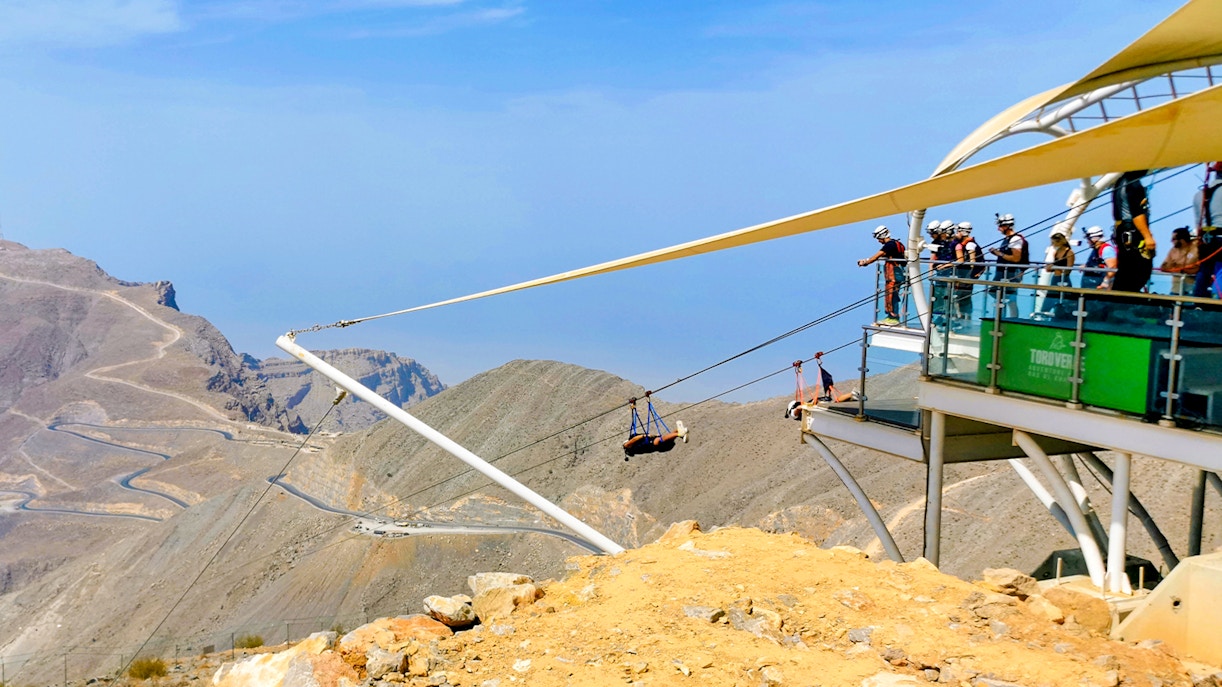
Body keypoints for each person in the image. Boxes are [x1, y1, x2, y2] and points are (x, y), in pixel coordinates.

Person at [1111, 169, 1155, 292]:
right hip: (1133, 233)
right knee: (1142, 269)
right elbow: (1137, 214)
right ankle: (1127, 300)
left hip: (1122, 232)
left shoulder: (1119, 183)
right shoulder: (1135, 185)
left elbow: (1116, 213)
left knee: (1125, 270)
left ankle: (1117, 299)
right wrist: (1147, 236)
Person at [857, 225, 906, 326]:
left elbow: (877, 256)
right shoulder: (897, 244)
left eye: (879, 238)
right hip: (897, 274)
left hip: (894, 275)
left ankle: (893, 317)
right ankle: (891, 316)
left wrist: (865, 262)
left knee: (891, 296)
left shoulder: (890, 245)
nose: (878, 241)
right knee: (893, 295)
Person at [988, 213, 1029, 316]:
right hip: (1003, 272)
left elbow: (1016, 258)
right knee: (998, 294)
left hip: (1010, 273)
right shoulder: (1008, 239)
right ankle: (1001, 317)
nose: (999, 229)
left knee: (1010, 298)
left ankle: (1011, 319)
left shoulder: (1015, 239)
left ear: (1007, 226)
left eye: (1000, 226)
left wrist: (999, 253)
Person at [1193, 162, 1222, 298]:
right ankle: (1218, 299)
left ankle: (1199, 301)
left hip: (1206, 238)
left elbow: (1198, 221)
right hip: (1220, 236)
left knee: (1204, 270)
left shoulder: (1200, 194)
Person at [952, 222, 983, 326]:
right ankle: (964, 320)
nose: (956, 234)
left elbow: (972, 262)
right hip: (966, 276)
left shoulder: (970, 245)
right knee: (964, 298)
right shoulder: (969, 244)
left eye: (958, 231)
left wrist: (969, 275)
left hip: (967, 276)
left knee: (960, 298)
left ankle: (962, 320)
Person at [1159, 227, 1199, 295]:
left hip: (1191, 291)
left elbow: (1197, 269)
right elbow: (1163, 267)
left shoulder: (1196, 249)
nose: (1171, 241)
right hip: (1175, 290)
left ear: (1182, 240)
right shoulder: (1173, 250)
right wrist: (1181, 269)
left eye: (1173, 239)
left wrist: (1177, 267)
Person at [1080, 225, 1118, 290]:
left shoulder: (1106, 249)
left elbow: (1112, 267)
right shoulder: (1095, 249)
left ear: (1095, 239)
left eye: (1089, 239)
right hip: (1090, 284)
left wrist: (1105, 282)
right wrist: (1087, 266)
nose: (1087, 241)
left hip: (1099, 285)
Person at [623, 420, 688, 454]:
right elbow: (634, 439)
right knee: (661, 440)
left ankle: (679, 432)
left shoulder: (636, 448)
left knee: (667, 440)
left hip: (658, 448)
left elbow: (634, 439)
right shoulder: (626, 446)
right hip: (652, 444)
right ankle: (679, 433)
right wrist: (644, 435)